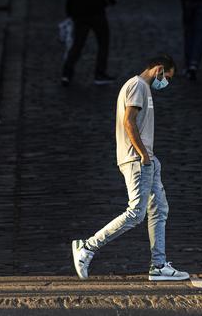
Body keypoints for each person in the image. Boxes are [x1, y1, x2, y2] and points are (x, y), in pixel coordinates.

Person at [71, 54, 189, 282]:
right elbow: (128, 121)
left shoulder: (142, 88)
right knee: (136, 212)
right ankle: (87, 247)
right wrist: (144, 154)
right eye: (167, 77)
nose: (166, 82)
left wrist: (150, 158)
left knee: (159, 209)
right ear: (159, 69)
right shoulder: (137, 86)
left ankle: (159, 265)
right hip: (137, 159)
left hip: (146, 160)